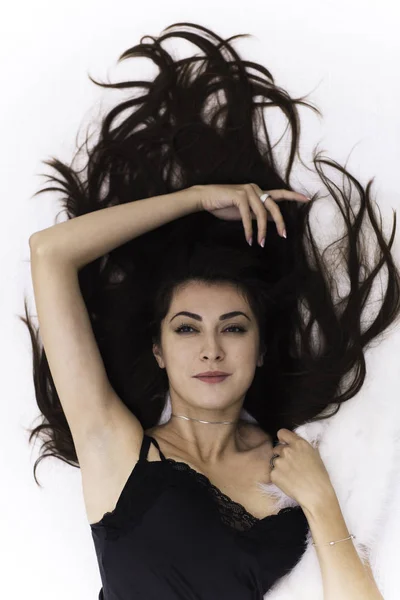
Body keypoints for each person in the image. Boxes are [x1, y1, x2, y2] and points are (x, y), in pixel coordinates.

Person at [24, 22, 397, 600]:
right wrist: (196, 199)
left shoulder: (295, 468)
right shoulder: (118, 448)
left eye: (234, 327)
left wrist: (322, 506)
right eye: (186, 328)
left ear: (262, 346)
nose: (211, 349)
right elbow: (50, 254)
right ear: (159, 349)